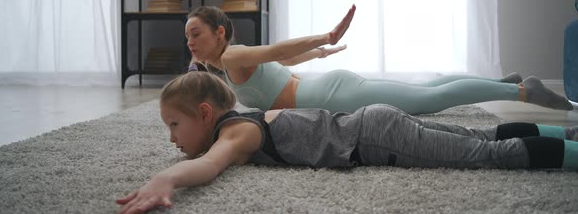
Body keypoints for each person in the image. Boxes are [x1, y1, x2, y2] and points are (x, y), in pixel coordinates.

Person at [116, 69, 578, 214]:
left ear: (204, 114)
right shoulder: (249, 116)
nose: (171, 137)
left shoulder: (236, 133)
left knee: (486, 155)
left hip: (376, 137)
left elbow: (209, 166)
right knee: (478, 135)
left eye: (174, 125)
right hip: (373, 121)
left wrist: (166, 178)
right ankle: (567, 132)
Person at [184, 5, 573, 114]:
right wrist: (320, 52)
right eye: (186, 36)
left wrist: (325, 36)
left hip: (334, 97)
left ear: (220, 33)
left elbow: (278, 52)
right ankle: (504, 84)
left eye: (196, 34)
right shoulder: (230, 64)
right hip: (327, 90)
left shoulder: (233, 55)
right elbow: (281, 68)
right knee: (424, 91)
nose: (190, 42)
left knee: (429, 101)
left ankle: (524, 91)